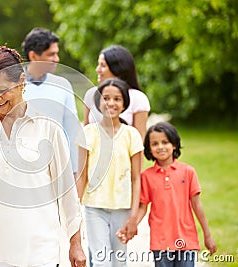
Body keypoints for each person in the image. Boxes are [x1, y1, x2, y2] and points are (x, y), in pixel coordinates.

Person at [0, 46, 86, 267]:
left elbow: (68, 193)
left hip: (38, 253)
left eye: (2, 90)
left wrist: (76, 244)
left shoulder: (49, 129)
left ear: (21, 81)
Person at [118, 122, 217, 266]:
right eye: (155, 144)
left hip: (186, 240)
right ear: (149, 149)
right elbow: (142, 208)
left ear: (174, 144)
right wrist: (130, 226)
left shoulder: (188, 172)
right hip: (161, 243)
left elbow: (197, 205)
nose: (160, 147)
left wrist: (207, 235)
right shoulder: (146, 176)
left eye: (165, 142)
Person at [77, 78, 143, 267]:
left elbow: (136, 178)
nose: (111, 103)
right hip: (94, 208)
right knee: (100, 261)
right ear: (98, 102)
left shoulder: (132, 135)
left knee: (118, 262)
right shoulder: (88, 133)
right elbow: (81, 174)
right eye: (106, 98)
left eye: (117, 99)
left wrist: (133, 216)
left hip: (122, 209)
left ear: (124, 104)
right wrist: (75, 208)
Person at [21, 27, 79, 177]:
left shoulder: (63, 85)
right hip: (22, 168)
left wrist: (74, 171)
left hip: (58, 168)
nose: (57, 59)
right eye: (51, 54)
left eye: (56, 53)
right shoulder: (11, 85)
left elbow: (72, 132)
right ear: (33, 55)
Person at [83, 45, 150, 140]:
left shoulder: (138, 98)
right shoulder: (91, 94)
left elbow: (139, 140)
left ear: (118, 69)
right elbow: (84, 133)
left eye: (103, 65)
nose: (97, 69)